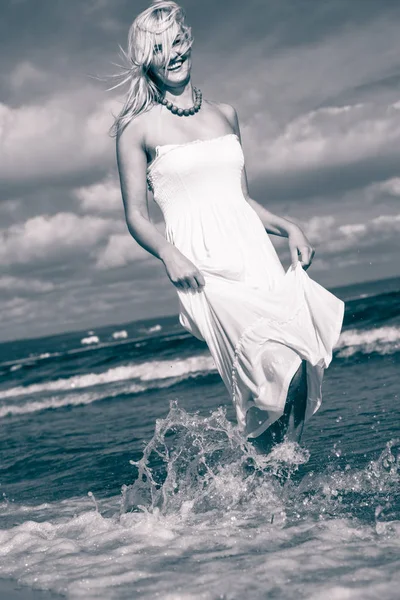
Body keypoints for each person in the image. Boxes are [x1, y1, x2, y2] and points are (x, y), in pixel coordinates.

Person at [110, 0, 345, 452]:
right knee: (279, 365)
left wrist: (288, 227)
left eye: (177, 41)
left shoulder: (226, 113)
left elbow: (242, 199)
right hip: (204, 269)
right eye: (159, 48)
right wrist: (168, 253)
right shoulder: (135, 130)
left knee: (293, 370)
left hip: (254, 255)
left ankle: (269, 476)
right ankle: (269, 474)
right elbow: (136, 216)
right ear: (147, 59)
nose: (173, 54)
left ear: (189, 38)